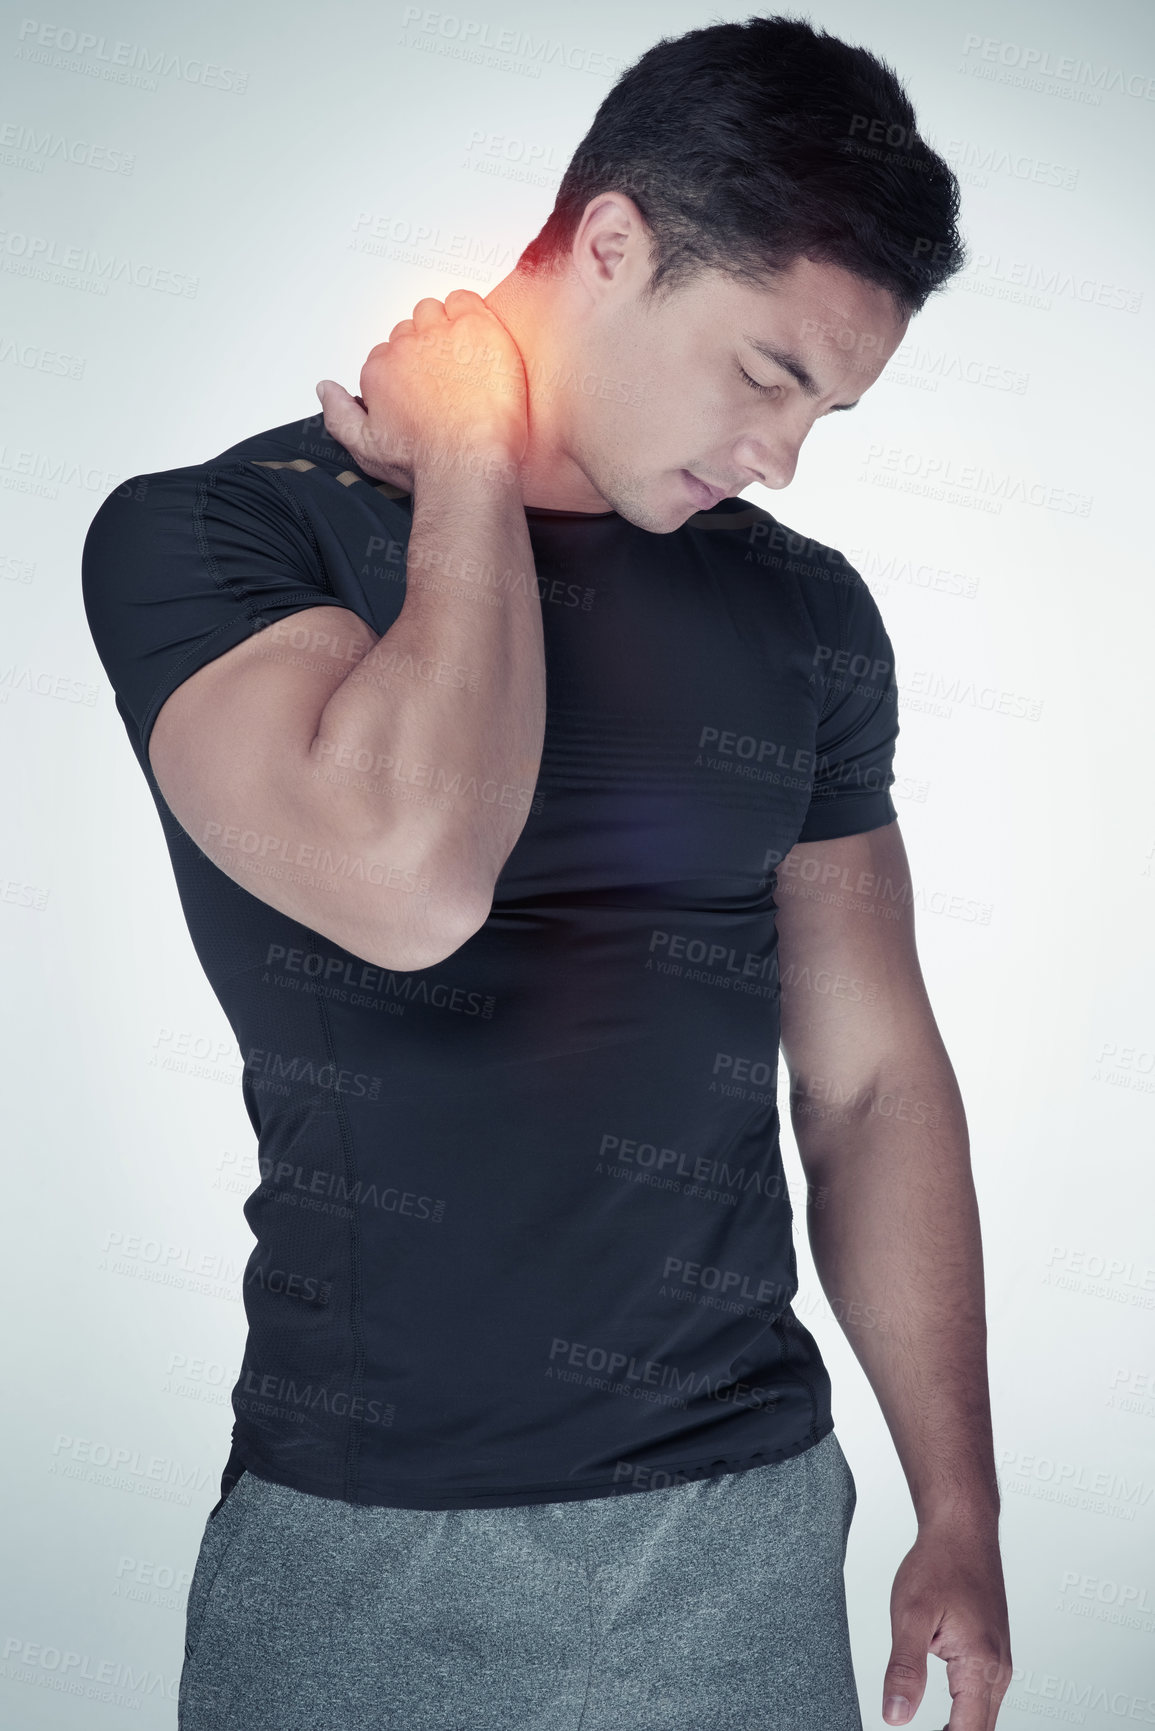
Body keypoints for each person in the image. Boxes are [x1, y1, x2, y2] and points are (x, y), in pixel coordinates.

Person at [81, 14, 1012, 1731]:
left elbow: (872, 1080)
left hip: (738, 1534)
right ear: (609, 245)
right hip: (359, 1545)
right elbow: (411, 875)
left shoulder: (804, 613)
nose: (783, 456)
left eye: (832, 410)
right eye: (765, 375)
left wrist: (959, 1502)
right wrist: (466, 463)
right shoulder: (222, 534)